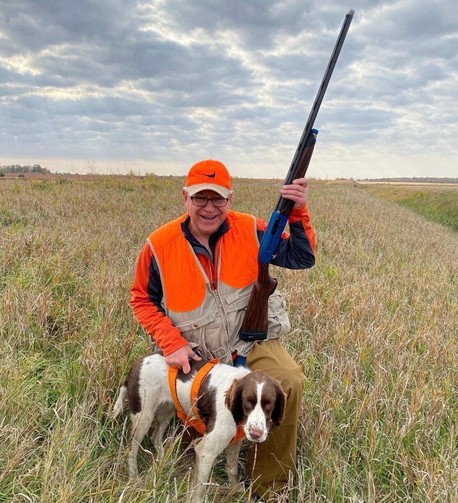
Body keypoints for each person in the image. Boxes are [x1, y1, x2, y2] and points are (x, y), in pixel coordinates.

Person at [130, 159, 316, 500]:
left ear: (229, 200)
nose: (209, 208)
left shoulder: (251, 229)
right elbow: (141, 298)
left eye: (218, 199)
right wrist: (171, 342)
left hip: (251, 342)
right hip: (201, 352)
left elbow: (302, 257)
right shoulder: (159, 245)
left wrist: (298, 212)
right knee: (199, 438)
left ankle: (267, 485)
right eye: (200, 198)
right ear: (185, 197)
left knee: (288, 381)